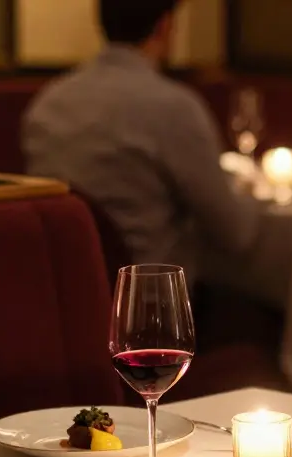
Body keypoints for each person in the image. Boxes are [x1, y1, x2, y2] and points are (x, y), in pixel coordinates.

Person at [22, 0, 260, 283]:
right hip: (149, 303)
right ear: (165, 25)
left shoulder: (47, 103)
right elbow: (236, 233)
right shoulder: (173, 107)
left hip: (65, 294)